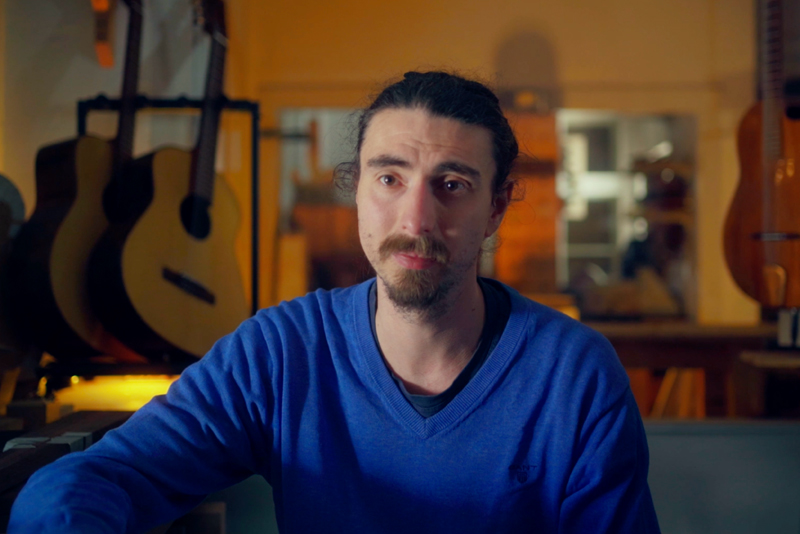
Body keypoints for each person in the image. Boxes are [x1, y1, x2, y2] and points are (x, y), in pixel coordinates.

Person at [9, 71, 660, 533]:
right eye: (390, 178)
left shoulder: (574, 374)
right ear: (357, 192)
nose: (416, 218)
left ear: (494, 208)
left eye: (453, 185)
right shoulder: (279, 353)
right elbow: (99, 478)